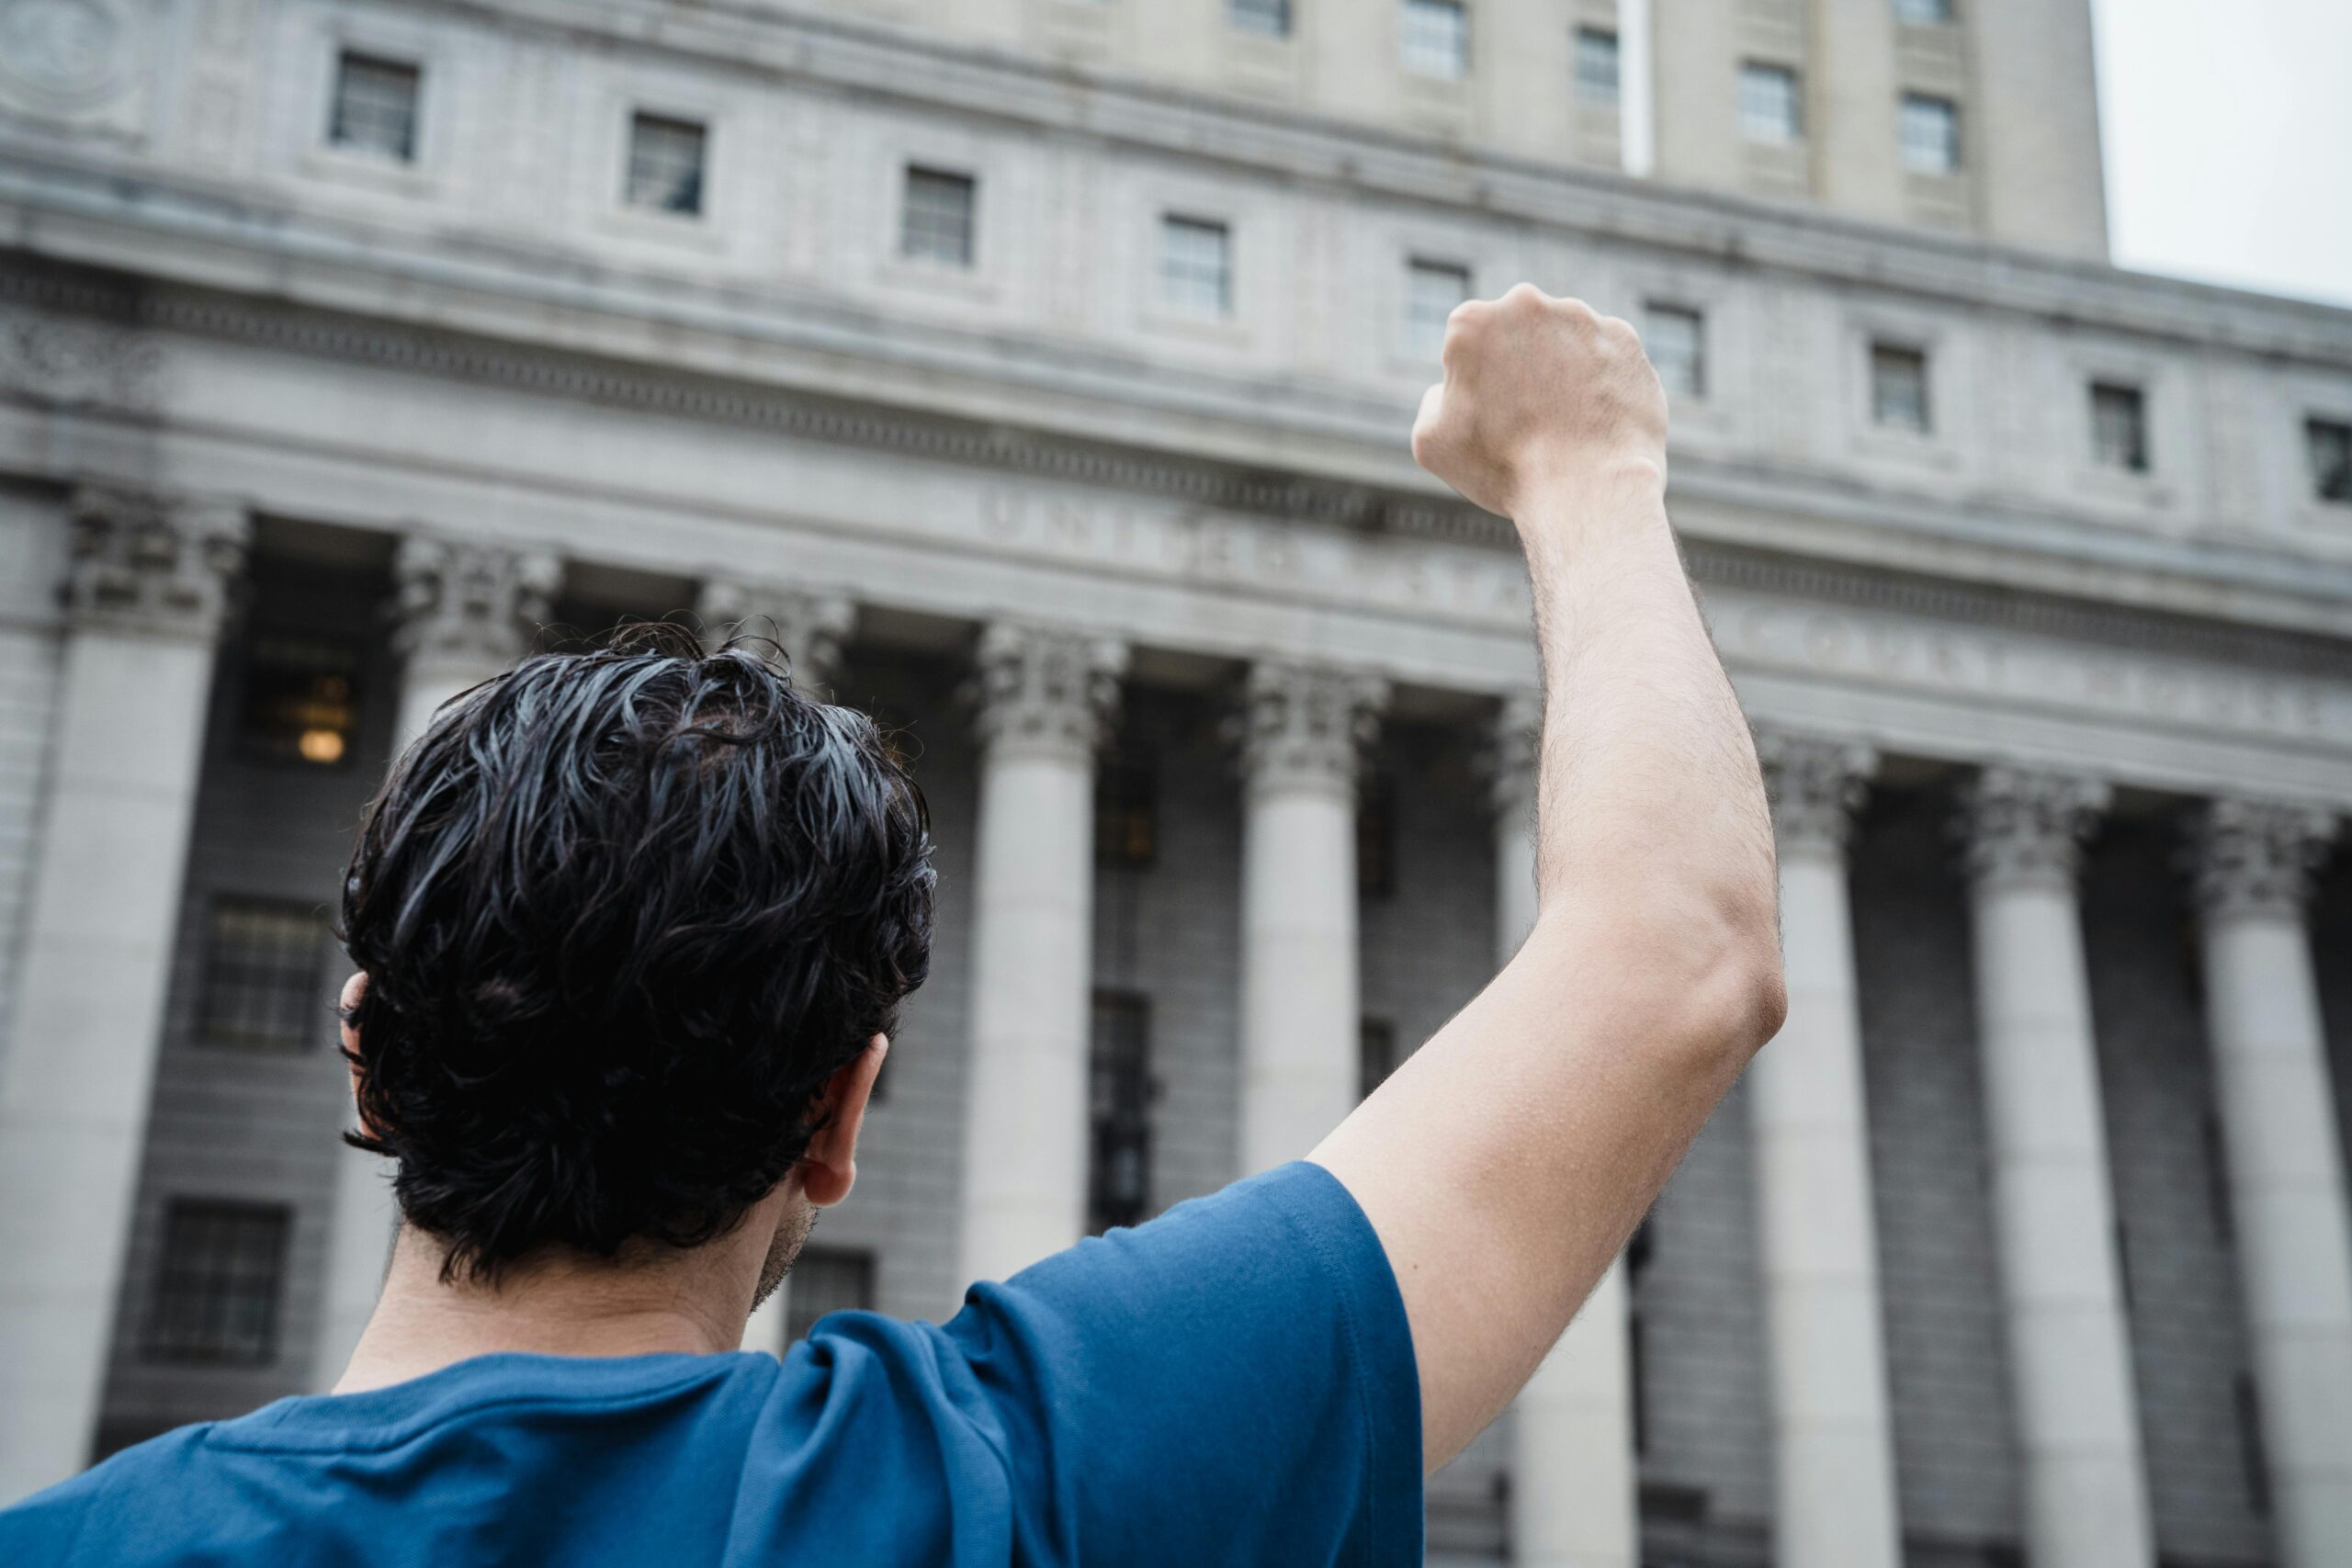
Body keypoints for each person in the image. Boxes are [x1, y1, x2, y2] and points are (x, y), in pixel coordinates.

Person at [0, 286, 1784, 1566]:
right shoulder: (1021, 1478)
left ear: (368, 1048)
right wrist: (1583, 457)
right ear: (839, 1117)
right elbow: (1675, 947)